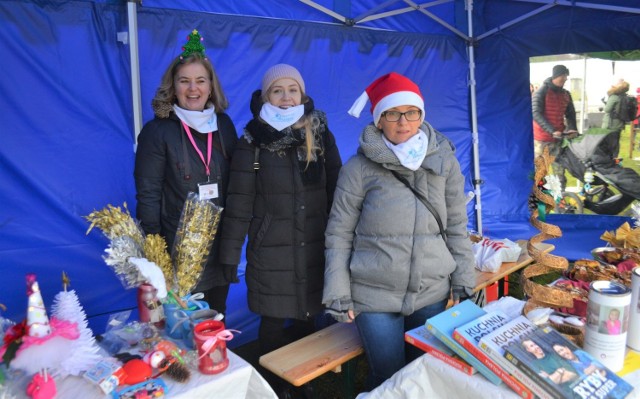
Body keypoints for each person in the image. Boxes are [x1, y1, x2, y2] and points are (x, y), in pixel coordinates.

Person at [322, 72, 476, 391]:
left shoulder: (443, 162)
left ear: (421, 116)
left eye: (411, 112)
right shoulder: (358, 169)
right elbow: (338, 233)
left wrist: (463, 276)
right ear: (379, 120)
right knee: (389, 377)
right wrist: (338, 290)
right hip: (374, 295)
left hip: (431, 291)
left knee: (424, 372)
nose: (403, 122)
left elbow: (457, 225)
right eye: (392, 113)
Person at [218, 64, 342, 394]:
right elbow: (239, 201)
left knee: (307, 316)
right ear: (266, 96)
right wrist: (229, 255)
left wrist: (344, 240)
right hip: (270, 248)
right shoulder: (251, 140)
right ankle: (274, 387)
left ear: (302, 94)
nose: (286, 97)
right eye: (278, 90)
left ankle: (304, 383)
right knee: (272, 321)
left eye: (292, 90)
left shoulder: (320, 130)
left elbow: (338, 189)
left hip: (314, 245)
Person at [134, 30, 238, 314]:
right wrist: (156, 252)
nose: (193, 89)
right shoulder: (158, 131)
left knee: (215, 317)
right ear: (173, 86)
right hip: (177, 247)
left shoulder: (224, 125)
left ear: (210, 86)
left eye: (200, 81)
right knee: (181, 322)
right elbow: (149, 192)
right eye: (185, 81)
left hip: (219, 245)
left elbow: (239, 181)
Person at [532, 64, 578, 190]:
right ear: (556, 76)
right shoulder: (541, 92)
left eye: (566, 76)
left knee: (560, 172)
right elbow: (535, 113)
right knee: (541, 171)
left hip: (558, 140)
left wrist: (572, 128)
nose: (565, 79)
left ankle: (560, 200)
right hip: (542, 139)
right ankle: (539, 201)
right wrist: (552, 130)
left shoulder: (566, 94)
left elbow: (571, 113)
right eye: (563, 76)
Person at [601, 79, 631, 159]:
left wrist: (605, 105)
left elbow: (607, 109)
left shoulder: (614, 96)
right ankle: (615, 161)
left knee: (608, 146)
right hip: (619, 125)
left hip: (610, 126)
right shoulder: (624, 96)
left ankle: (610, 162)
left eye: (617, 83)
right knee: (615, 145)